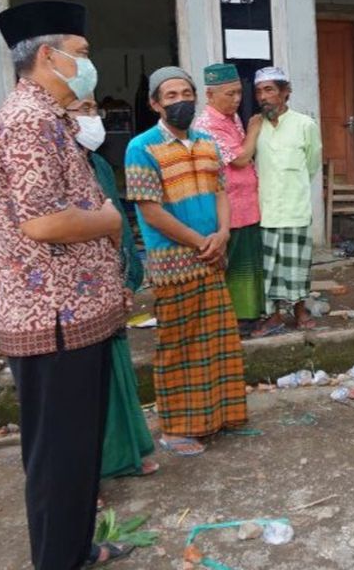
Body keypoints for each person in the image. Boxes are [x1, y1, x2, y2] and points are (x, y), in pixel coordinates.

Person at [0, 0, 131, 568]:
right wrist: (110, 219)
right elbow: (44, 222)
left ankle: (73, 548)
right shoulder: (29, 121)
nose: (89, 65)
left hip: (72, 315)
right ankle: (58, 559)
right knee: (59, 454)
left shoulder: (50, 117)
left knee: (75, 450)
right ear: (49, 56)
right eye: (83, 54)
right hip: (53, 319)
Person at [125, 67, 247, 457]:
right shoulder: (141, 147)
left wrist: (223, 233)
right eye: (171, 96)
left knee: (218, 341)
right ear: (155, 104)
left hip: (213, 257)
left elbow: (221, 192)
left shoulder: (207, 142)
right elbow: (150, 211)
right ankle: (177, 428)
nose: (181, 101)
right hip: (174, 264)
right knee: (178, 346)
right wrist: (200, 242)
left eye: (186, 93)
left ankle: (221, 417)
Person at [63, 95, 158, 481]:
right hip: (73, 293)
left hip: (108, 284)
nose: (93, 118)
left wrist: (125, 277)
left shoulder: (98, 164)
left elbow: (117, 223)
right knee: (81, 387)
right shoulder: (55, 166)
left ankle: (125, 456)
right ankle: (85, 473)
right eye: (82, 109)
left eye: (94, 109)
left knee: (116, 373)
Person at [193, 63, 267, 333]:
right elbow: (241, 158)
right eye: (229, 94)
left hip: (247, 206)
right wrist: (254, 128)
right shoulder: (207, 125)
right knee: (235, 266)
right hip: (231, 209)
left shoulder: (230, 117)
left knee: (250, 263)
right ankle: (238, 321)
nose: (236, 99)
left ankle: (251, 316)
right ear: (210, 95)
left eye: (238, 93)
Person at [250, 67, 323, 337]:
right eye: (259, 91)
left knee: (297, 267)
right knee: (269, 269)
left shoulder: (305, 125)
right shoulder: (255, 126)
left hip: (295, 208)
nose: (263, 97)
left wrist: (294, 186)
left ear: (285, 92)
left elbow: (312, 164)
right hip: (266, 209)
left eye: (269, 90)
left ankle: (300, 311)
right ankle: (273, 316)